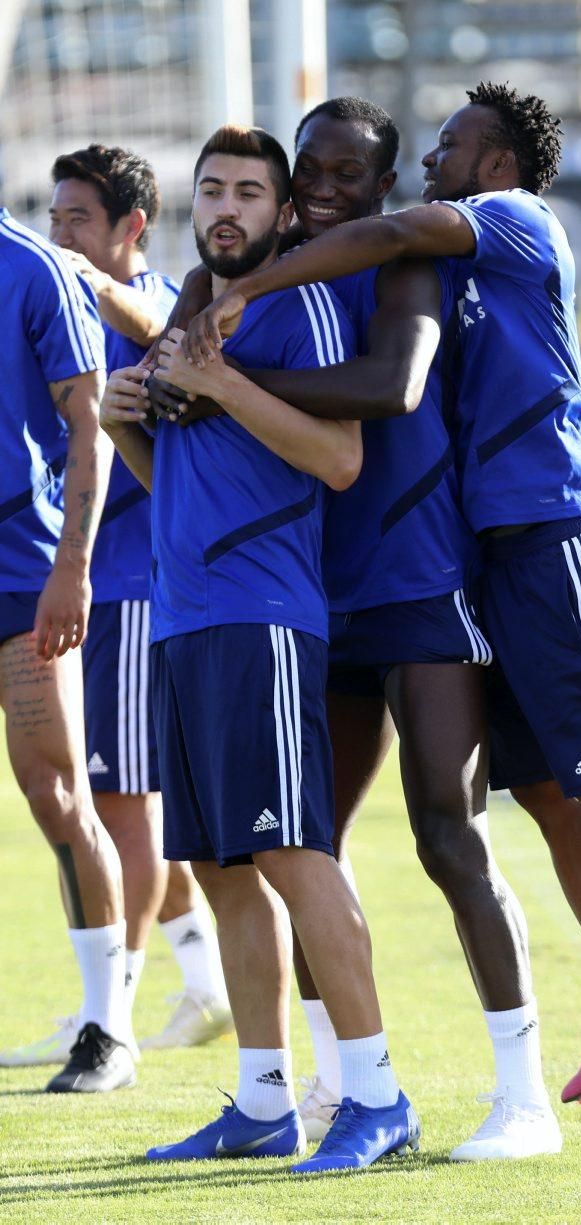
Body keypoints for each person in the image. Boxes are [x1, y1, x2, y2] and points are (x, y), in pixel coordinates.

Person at [182, 84, 581, 1094]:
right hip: (382, 584)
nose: (318, 189)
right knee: (523, 791)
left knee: (541, 790)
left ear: (478, 166)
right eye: (304, 170)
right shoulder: (319, 264)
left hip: (515, 545)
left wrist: (231, 351)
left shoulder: (468, 236)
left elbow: (389, 385)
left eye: (345, 171)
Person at [102, 123, 419, 1174]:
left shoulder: (293, 306)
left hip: (265, 619)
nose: (227, 205)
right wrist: (124, 425)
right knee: (220, 866)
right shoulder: (195, 318)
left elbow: (337, 458)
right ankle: (260, 1099)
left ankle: (376, 1095)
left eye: (249, 190)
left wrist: (223, 381)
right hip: (183, 618)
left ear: (283, 214)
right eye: (212, 189)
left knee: (291, 850)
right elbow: (180, 488)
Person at [47, 143, 232, 1052]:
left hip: (127, 585)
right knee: (126, 805)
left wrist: (75, 272)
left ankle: (103, 1019)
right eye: (52, 219)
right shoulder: (58, 304)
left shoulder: (159, 300)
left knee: (122, 802)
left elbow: (154, 323)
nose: (60, 237)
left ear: (132, 229)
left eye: (79, 219)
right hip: (80, 581)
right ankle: (204, 983)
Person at [0, 205, 135, 1092]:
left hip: (21, 569)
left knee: (56, 792)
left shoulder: (34, 269)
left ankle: (107, 1028)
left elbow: (92, 428)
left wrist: (72, 570)